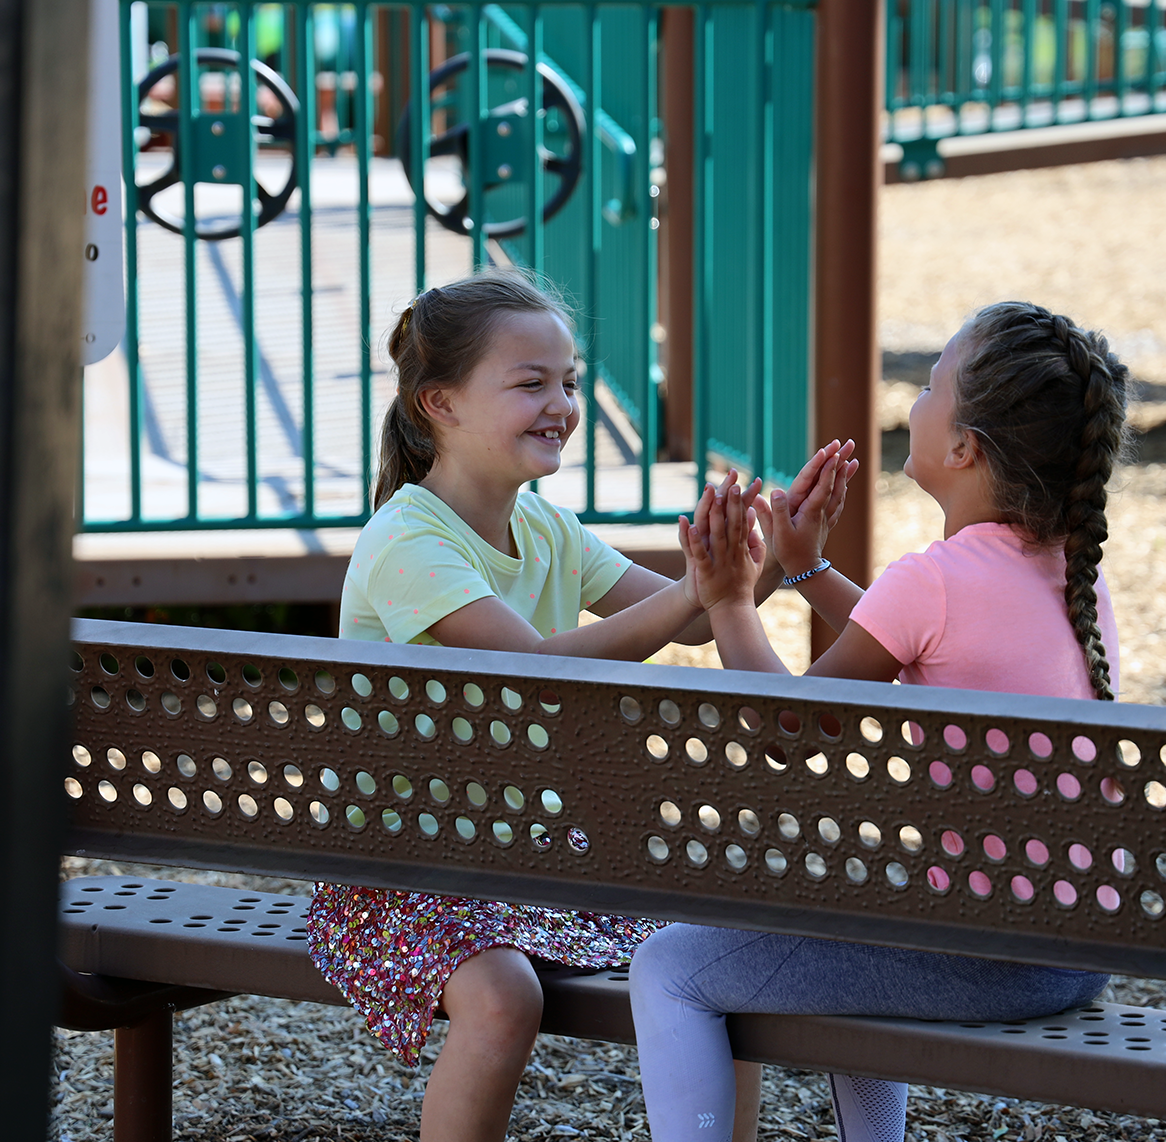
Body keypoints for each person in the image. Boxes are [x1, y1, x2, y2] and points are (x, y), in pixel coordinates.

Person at [307, 269, 855, 1142]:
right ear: (438, 403)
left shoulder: (547, 528)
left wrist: (747, 561)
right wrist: (699, 593)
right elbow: (538, 669)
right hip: (403, 868)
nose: (561, 402)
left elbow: (695, 618)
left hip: (530, 855)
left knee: (718, 952)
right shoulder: (409, 540)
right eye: (530, 383)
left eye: (568, 380)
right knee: (501, 997)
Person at [631, 301, 1131, 1142]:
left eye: (932, 384)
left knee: (669, 967)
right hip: (1079, 949)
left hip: (985, 962)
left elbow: (786, 734)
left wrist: (728, 604)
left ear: (965, 447)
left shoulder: (931, 580)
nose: (915, 398)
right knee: (857, 898)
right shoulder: (1072, 571)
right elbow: (920, 646)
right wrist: (810, 568)